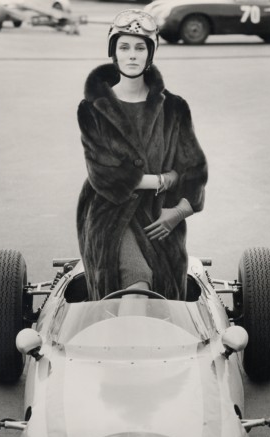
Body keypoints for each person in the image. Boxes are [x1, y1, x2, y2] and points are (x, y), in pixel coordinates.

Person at [76, 9, 208, 301]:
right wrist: (166, 179)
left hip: (162, 218)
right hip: (109, 215)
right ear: (114, 54)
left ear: (151, 54)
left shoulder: (175, 107)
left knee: (167, 296)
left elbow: (194, 169)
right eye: (124, 47)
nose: (132, 55)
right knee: (137, 283)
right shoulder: (92, 108)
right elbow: (107, 176)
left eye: (140, 47)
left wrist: (178, 212)